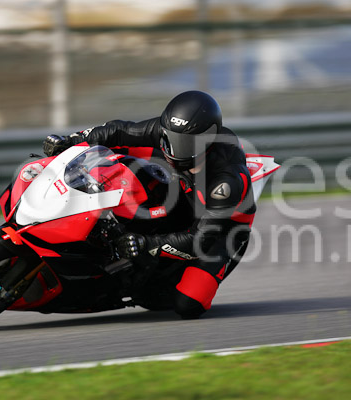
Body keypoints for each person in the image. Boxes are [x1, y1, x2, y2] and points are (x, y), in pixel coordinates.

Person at [43, 90, 256, 319]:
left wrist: (146, 244)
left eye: (185, 144)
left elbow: (201, 239)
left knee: (188, 305)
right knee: (124, 155)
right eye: (170, 138)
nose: (174, 149)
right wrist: (71, 141)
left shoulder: (226, 181)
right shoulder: (168, 131)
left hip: (220, 230)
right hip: (183, 190)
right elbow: (119, 130)